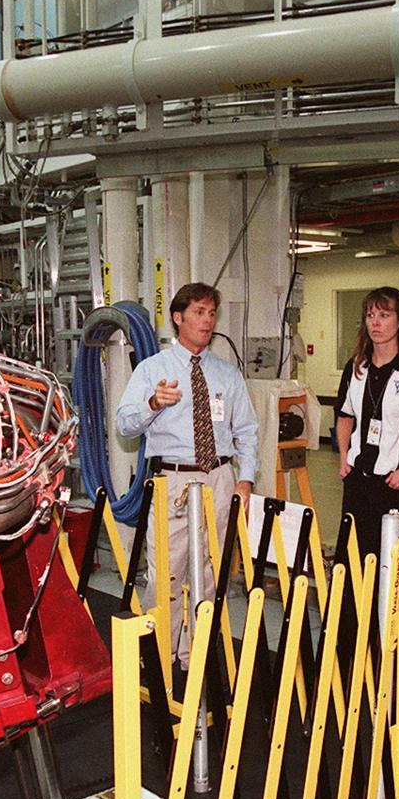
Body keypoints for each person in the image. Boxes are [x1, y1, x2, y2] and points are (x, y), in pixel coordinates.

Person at [115, 283, 258, 673]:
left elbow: (246, 430)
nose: (207, 321)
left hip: (219, 477)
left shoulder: (227, 375)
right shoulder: (153, 369)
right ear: (178, 318)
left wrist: (245, 481)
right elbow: (124, 426)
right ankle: (159, 655)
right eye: (198, 312)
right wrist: (152, 404)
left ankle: (196, 656)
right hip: (174, 480)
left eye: (211, 313)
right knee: (167, 573)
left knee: (210, 573)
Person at [335, 288, 399, 557]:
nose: (376, 323)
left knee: (397, 568)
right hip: (358, 485)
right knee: (353, 562)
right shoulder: (356, 367)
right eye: (370, 315)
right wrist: (344, 457)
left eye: (384, 315)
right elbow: (345, 415)